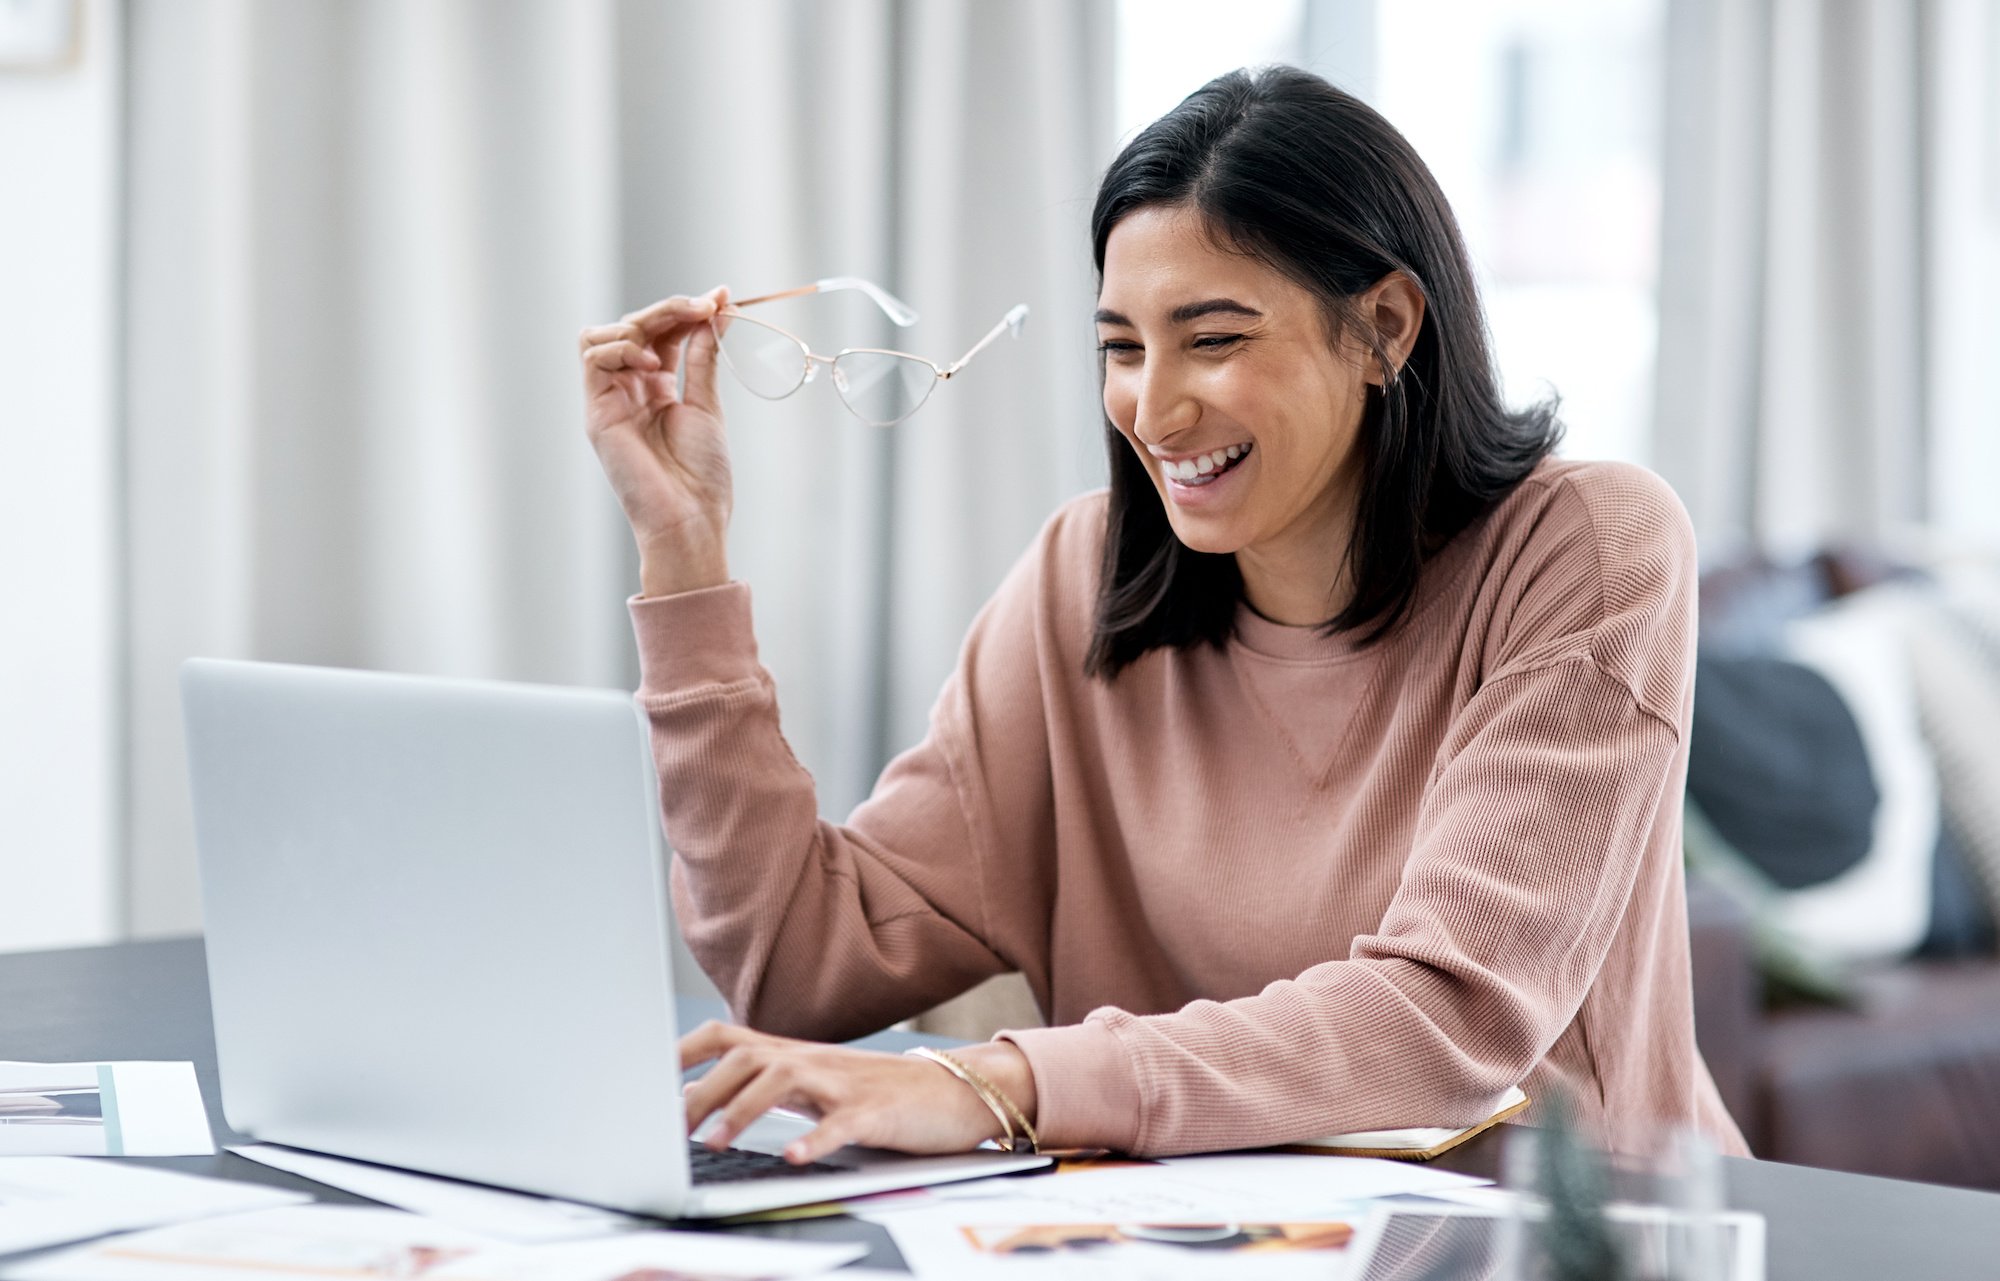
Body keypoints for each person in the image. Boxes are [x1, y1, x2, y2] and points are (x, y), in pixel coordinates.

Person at [578, 66, 1749, 1166]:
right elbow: (795, 967)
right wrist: (685, 557)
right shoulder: (1077, 582)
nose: (1155, 406)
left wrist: (998, 1084)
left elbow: (1444, 1023)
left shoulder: (1585, 550)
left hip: (1566, 1238)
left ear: (1385, 328)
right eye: (1121, 348)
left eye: (1214, 338)